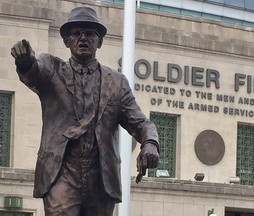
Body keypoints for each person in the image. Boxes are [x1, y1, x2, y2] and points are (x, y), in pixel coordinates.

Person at [11, 7, 159, 216]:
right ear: (66, 40)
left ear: (99, 42)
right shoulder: (52, 69)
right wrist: (25, 62)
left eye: (90, 34)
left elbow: (141, 122)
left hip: (100, 178)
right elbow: (34, 71)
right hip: (61, 173)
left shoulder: (116, 83)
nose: (83, 38)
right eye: (76, 33)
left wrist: (150, 143)